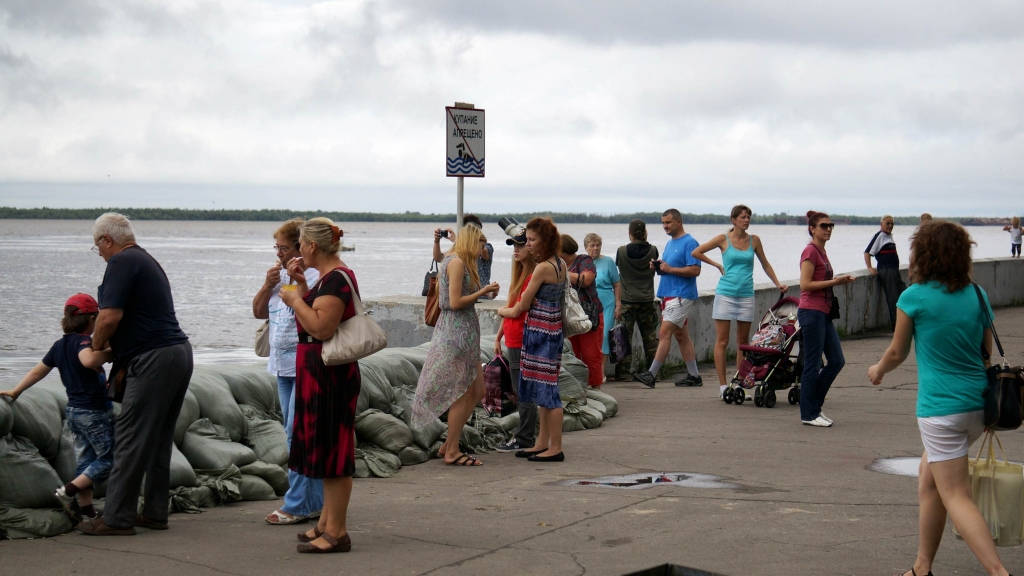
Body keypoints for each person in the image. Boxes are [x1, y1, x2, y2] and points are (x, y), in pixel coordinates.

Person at [868, 221, 1012, 576]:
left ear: (922, 254)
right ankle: (922, 567)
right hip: (978, 407)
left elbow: (898, 352)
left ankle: (999, 572)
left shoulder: (913, 297)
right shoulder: (976, 294)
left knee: (956, 494)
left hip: (940, 411)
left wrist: (878, 369)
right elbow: (986, 351)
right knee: (928, 478)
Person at [78, 212, 193, 536]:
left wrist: (95, 346)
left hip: (154, 359)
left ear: (106, 240)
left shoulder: (121, 262)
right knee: (157, 439)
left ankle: (116, 518)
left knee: (129, 437)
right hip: (177, 354)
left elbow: (109, 316)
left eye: (96, 246)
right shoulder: (145, 260)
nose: (98, 253)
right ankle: (155, 512)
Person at [279, 218, 360, 553]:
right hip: (319, 375)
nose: (298, 249)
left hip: (330, 376)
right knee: (323, 449)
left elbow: (322, 327)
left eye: (300, 243)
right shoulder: (327, 278)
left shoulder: (338, 279)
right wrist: (300, 285)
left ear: (312, 246)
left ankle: (338, 532)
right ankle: (326, 522)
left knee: (334, 451)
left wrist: (294, 299)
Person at [1, 294, 114, 522]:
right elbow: (89, 361)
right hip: (92, 412)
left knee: (86, 460)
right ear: (92, 320)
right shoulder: (83, 343)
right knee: (109, 458)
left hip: (73, 412)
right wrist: (113, 351)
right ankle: (67, 491)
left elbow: (37, 371)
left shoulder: (59, 345)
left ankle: (87, 511)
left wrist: (16, 391)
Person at [252, 218, 323, 526]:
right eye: (276, 247)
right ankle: (315, 501)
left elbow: (315, 315)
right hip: (282, 365)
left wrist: (298, 284)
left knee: (298, 433)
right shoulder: (278, 276)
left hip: (304, 362)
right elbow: (258, 311)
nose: (278, 253)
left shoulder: (313, 275)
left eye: (283, 247)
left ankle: (296, 503)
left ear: (300, 246)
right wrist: (268, 284)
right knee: (294, 433)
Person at [413, 225, 500, 466]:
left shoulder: (458, 260)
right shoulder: (457, 262)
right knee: (461, 393)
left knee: (478, 391)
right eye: (481, 245)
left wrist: (486, 293)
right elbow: (454, 302)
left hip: (465, 333)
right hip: (456, 334)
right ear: (472, 242)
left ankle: (449, 442)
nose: (483, 250)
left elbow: (461, 294)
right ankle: (452, 449)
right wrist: (483, 291)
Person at [692, 205, 788, 397]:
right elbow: (696, 252)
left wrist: (777, 283)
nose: (746, 220)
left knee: (743, 343)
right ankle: (722, 386)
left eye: (748, 217)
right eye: (743, 217)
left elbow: (765, 263)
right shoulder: (723, 239)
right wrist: (717, 264)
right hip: (725, 294)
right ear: (733, 220)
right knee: (722, 340)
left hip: (746, 295)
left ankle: (739, 382)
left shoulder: (755, 240)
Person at [499, 217, 566, 462]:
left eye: (532, 240)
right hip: (552, 329)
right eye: (526, 240)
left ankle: (555, 447)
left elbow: (520, 307)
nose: (528, 245)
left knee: (549, 393)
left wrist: (500, 311)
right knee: (543, 391)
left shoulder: (542, 267)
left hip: (541, 332)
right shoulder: (560, 264)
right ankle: (541, 442)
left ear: (545, 240)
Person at [797, 211, 853, 428]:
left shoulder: (822, 251)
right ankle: (808, 413)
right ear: (812, 229)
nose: (828, 229)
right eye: (823, 226)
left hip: (823, 312)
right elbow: (805, 285)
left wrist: (838, 281)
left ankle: (814, 406)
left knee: (837, 360)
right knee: (812, 364)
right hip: (811, 312)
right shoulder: (810, 251)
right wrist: (835, 282)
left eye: (831, 225)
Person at [633, 209, 701, 388]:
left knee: (664, 333)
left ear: (679, 221)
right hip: (669, 294)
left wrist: (670, 269)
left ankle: (651, 374)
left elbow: (695, 270)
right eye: (663, 223)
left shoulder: (690, 243)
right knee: (681, 335)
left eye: (668, 222)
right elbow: (670, 268)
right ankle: (694, 375)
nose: (665, 226)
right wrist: (658, 267)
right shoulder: (670, 243)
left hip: (681, 296)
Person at [493, 229, 538, 452]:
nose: (516, 250)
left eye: (520, 245)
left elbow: (516, 309)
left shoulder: (531, 277)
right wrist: (499, 336)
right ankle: (526, 434)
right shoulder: (519, 277)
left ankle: (524, 437)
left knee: (524, 390)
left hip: (522, 339)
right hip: (512, 338)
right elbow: (510, 307)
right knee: (520, 389)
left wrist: (502, 311)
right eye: (514, 246)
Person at [612, 219, 659, 382]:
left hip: (627, 300)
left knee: (625, 337)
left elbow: (619, 267)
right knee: (651, 338)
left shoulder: (622, 251)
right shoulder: (653, 250)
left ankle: (624, 373)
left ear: (629, 233)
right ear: (645, 232)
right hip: (647, 300)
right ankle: (653, 372)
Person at [561, 234, 604, 388]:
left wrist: (563, 273)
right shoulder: (558, 265)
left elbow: (586, 280)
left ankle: (595, 387)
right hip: (569, 316)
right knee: (571, 354)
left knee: (590, 354)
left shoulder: (584, 260)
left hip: (588, 313)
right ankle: (577, 388)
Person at [433, 214, 494, 298]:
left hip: (482, 297)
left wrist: (459, 241)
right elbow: (438, 258)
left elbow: (483, 252)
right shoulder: (456, 258)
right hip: (464, 297)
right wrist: (437, 241)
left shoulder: (487, 247)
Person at [584, 233, 621, 374]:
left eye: (598, 245)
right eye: (592, 245)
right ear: (586, 247)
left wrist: (618, 304)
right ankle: (589, 370)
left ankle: (601, 371)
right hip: (588, 302)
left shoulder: (608, 261)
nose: (595, 248)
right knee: (589, 335)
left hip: (607, 301)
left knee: (605, 335)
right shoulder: (583, 262)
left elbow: (617, 284)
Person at [864, 215, 905, 331]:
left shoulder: (889, 237)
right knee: (893, 298)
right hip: (886, 270)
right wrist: (870, 267)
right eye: (888, 223)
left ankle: (903, 324)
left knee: (904, 294)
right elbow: (867, 252)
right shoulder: (880, 236)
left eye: (892, 223)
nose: (890, 226)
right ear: (881, 224)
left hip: (894, 270)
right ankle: (896, 326)